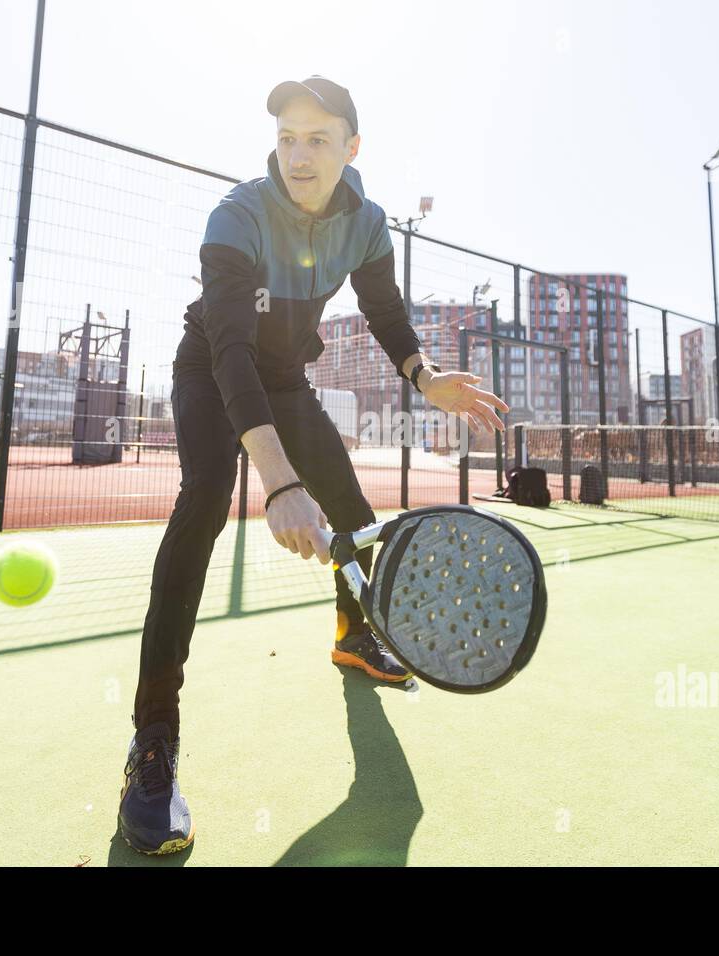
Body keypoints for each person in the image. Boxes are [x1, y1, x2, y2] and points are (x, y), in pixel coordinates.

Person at [117, 76, 509, 854]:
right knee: (203, 499)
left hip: (286, 377)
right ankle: (152, 742)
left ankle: (353, 636)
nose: (298, 155)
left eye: (318, 140)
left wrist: (424, 377)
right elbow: (230, 351)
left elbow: (386, 311)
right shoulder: (234, 216)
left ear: (350, 149)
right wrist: (279, 484)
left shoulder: (365, 224)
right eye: (287, 137)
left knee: (353, 511)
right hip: (211, 368)